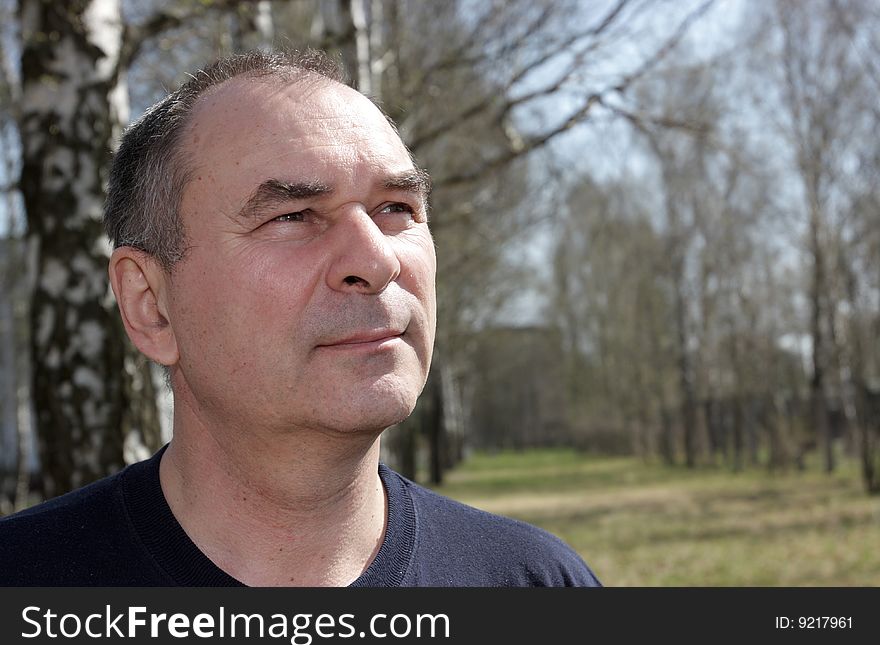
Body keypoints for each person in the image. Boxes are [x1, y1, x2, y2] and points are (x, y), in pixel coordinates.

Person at [0, 49, 601, 587]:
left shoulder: (535, 583)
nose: (376, 259)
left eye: (396, 208)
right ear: (150, 304)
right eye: (293, 216)